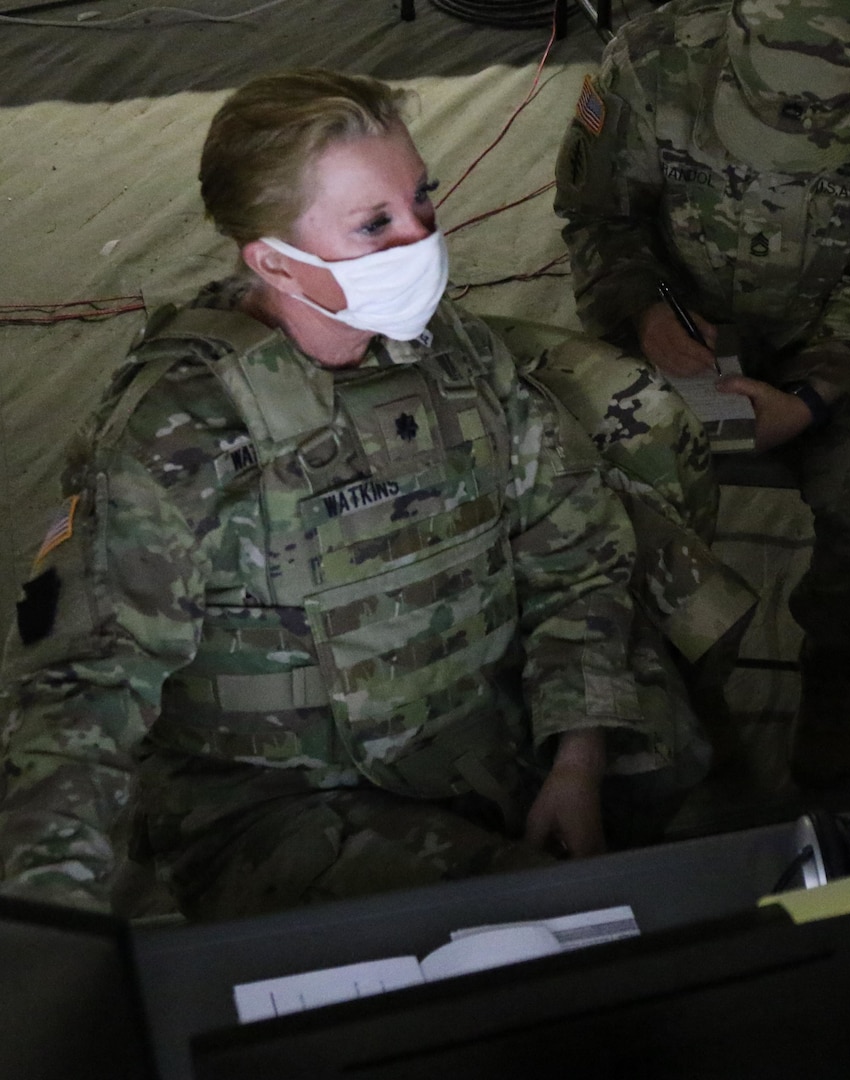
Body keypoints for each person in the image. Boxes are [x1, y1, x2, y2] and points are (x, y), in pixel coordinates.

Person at [0, 69, 741, 920]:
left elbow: (571, 549)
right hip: (284, 803)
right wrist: (47, 925)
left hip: (478, 730)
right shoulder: (178, 433)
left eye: (421, 200)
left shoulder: (451, 353)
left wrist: (576, 755)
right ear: (274, 259)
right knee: (526, 923)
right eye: (375, 224)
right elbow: (80, 687)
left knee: (672, 756)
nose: (421, 236)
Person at [552, 0, 850, 788]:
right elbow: (596, 218)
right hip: (684, 325)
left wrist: (813, 398)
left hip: (847, 336)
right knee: (601, 468)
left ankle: (840, 666)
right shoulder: (646, 62)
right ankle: (669, 674)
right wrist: (647, 316)